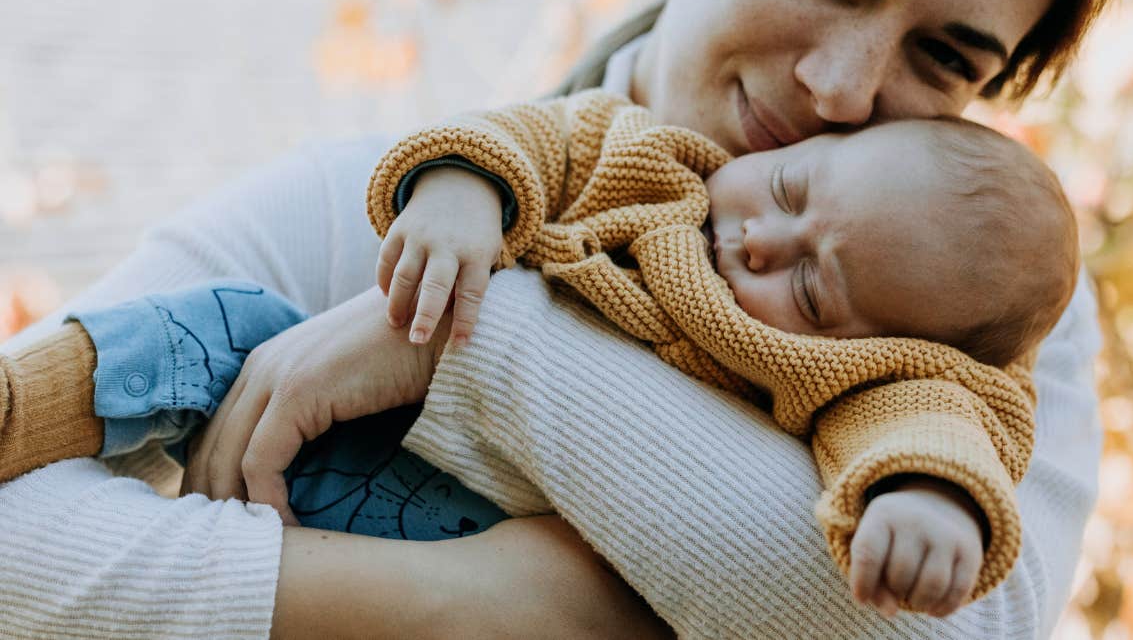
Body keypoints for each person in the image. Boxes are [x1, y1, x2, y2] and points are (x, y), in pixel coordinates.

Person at [0, 0, 1133, 637]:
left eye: (943, 58)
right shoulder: (402, 195)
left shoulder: (975, 293)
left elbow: (938, 627)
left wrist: (470, 346)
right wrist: (486, 605)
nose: (840, 88)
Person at [0, 92, 1077, 617]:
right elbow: (536, 144)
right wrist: (466, 201)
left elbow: (925, 425)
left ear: (875, 344)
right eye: (792, 192)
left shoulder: (856, 381)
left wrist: (929, 502)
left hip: (451, 519)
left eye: (808, 285)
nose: (758, 238)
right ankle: (24, 402)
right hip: (362, 447)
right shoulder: (654, 164)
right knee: (229, 323)